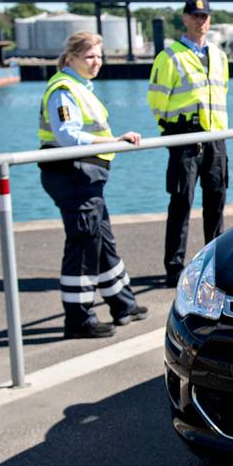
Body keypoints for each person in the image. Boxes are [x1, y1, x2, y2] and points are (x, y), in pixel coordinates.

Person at [39, 32, 148, 338]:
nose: (96, 61)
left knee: (101, 239)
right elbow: (67, 136)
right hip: (72, 174)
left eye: (99, 56)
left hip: (87, 176)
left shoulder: (81, 87)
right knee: (84, 244)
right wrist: (113, 140)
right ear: (71, 57)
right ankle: (79, 319)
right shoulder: (64, 89)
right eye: (89, 56)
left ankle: (122, 303)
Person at [147, 0, 230, 287]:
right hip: (185, 139)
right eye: (195, 16)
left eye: (205, 16)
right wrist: (171, 132)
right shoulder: (169, 57)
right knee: (181, 202)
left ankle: (216, 261)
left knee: (216, 200)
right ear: (184, 19)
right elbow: (156, 99)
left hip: (216, 138)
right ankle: (174, 267)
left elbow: (222, 93)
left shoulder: (219, 56)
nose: (201, 21)